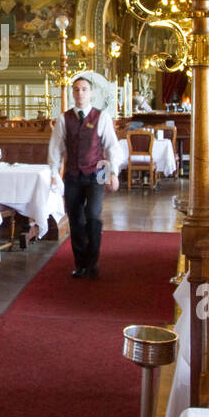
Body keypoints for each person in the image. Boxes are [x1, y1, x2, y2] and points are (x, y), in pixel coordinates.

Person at [48, 76, 121, 279]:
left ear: (91, 93)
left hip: (97, 172)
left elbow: (112, 147)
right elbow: (55, 149)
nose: (80, 93)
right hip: (72, 174)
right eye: (77, 90)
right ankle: (80, 263)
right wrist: (54, 173)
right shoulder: (64, 119)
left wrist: (113, 172)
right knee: (76, 220)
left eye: (84, 89)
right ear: (73, 93)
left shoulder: (101, 117)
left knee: (93, 215)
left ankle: (93, 261)